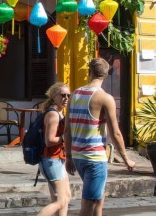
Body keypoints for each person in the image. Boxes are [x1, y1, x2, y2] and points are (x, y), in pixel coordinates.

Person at [65, 58, 135, 216]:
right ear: (106, 74)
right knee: (89, 202)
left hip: (77, 155)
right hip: (94, 158)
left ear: (89, 71)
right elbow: (115, 133)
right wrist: (126, 159)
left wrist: (68, 156)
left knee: (98, 198)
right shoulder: (104, 98)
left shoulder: (75, 94)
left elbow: (67, 130)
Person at [37, 82, 71, 216]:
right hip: (51, 160)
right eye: (63, 95)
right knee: (61, 200)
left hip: (57, 158)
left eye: (68, 95)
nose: (66, 98)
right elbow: (50, 140)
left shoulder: (59, 113)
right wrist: (65, 137)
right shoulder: (53, 114)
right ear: (54, 96)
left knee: (64, 197)